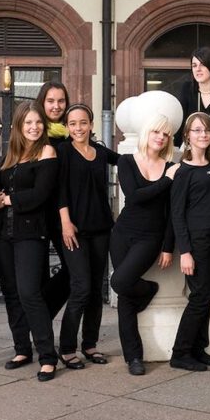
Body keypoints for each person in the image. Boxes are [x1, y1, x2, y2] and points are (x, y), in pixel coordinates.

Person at [0, 101, 59, 381]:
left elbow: (41, 195)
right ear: (19, 126)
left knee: (30, 292)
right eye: (28, 123)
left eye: (38, 122)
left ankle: (47, 356)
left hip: (31, 233)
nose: (34, 127)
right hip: (2, 234)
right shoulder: (12, 156)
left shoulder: (47, 151)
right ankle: (22, 349)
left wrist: (8, 199)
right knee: (11, 293)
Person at [109, 114, 174, 376]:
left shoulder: (171, 165)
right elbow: (134, 197)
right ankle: (134, 357)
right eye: (157, 131)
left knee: (119, 282)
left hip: (150, 237)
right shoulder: (126, 161)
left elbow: (172, 213)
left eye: (166, 134)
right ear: (148, 132)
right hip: (122, 233)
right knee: (125, 295)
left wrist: (168, 246)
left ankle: (148, 288)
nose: (161, 137)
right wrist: (166, 181)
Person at [57, 104, 119, 368]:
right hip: (74, 230)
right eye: (72, 124)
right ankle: (67, 347)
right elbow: (58, 191)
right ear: (67, 127)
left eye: (83, 123)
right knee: (81, 287)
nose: (78, 128)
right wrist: (65, 223)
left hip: (101, 228)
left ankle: (90, 344)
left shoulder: (101, 152)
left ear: (91, 125)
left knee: (95, 289)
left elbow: (129, 161)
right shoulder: (62, 152)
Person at [170, 112, 210, 372]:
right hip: (198, 241)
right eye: (196, 130)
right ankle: (180, 352)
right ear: (187, 136)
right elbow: (177, 214)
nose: (202, 134)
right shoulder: (182, 172)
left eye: (206, 130)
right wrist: (185, 251)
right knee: (200, 296)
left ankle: (198, 349)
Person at [35, 81, 71, 318]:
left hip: (63, 213)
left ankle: (40, 318)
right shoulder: (34, 132)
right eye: (50, 101)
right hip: (37, 212)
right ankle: (38, 329)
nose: (56, 106)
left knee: (73, 271)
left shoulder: (72, 133)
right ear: (42, 102)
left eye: (61, 101)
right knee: (36, 275)